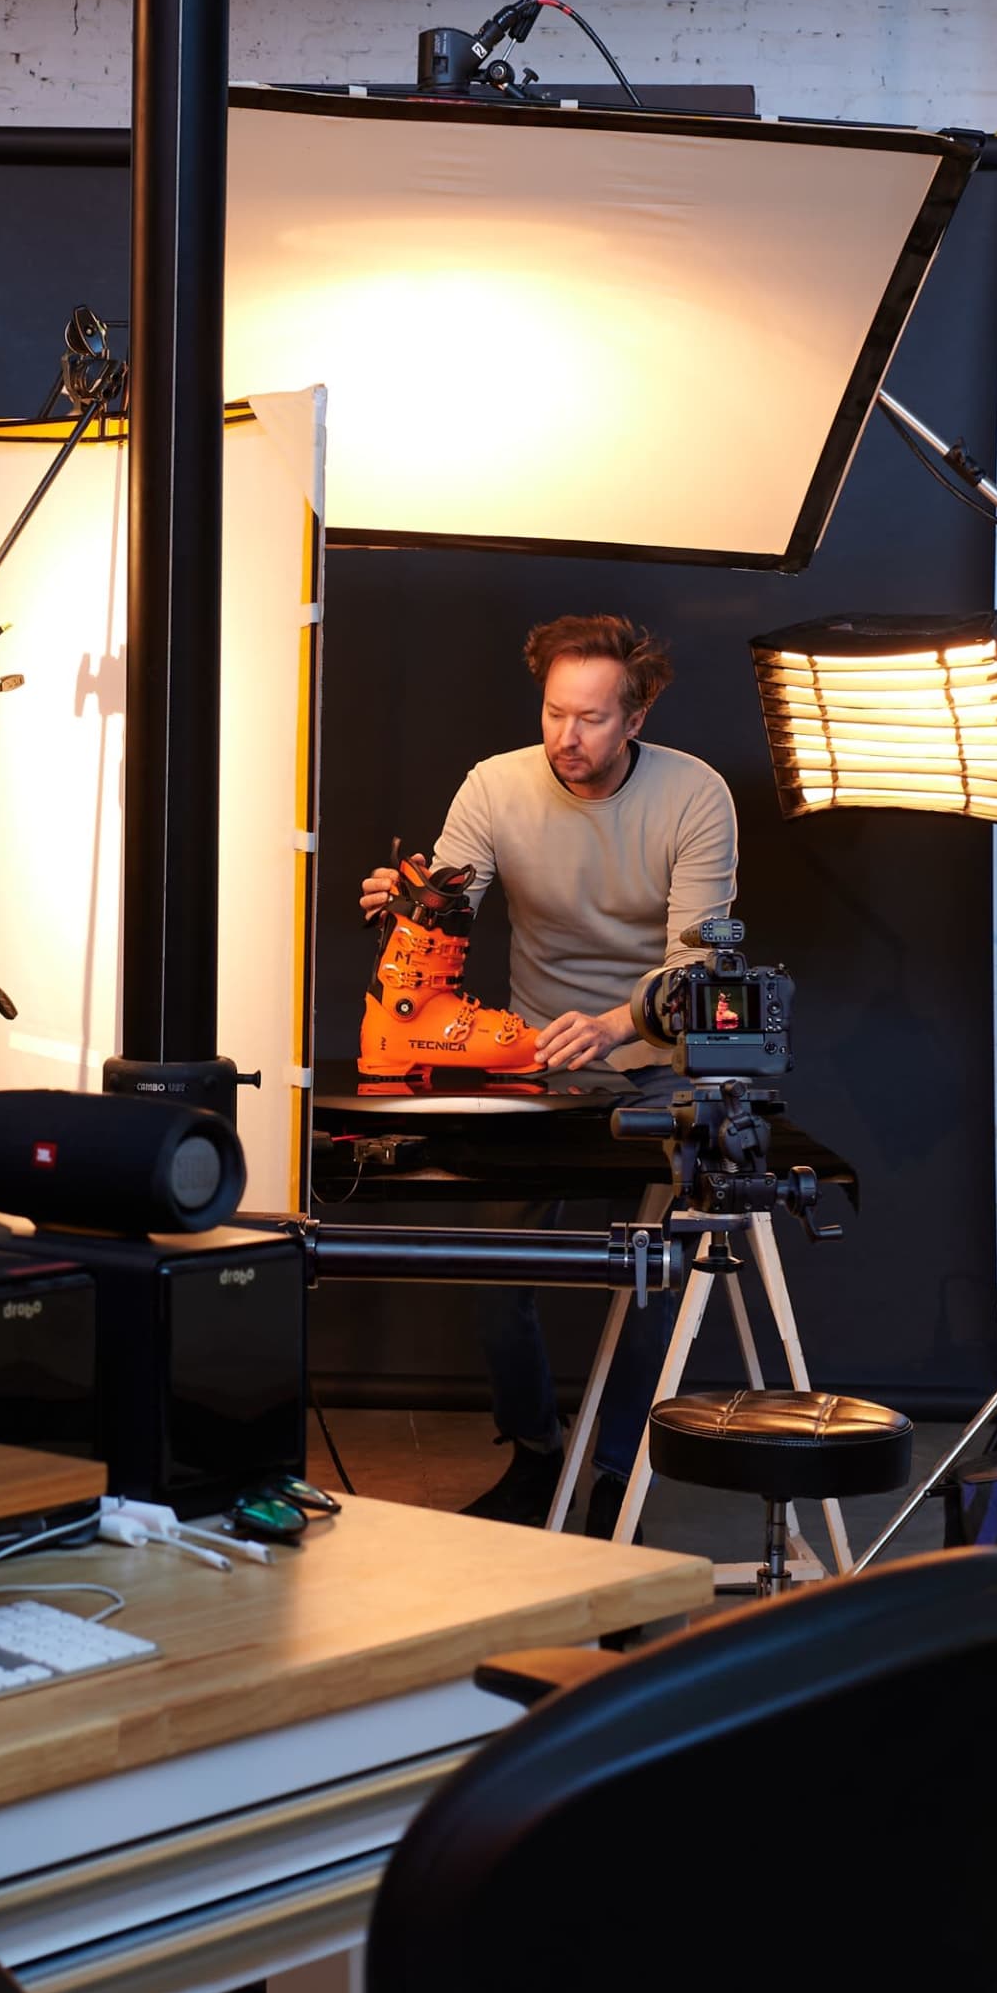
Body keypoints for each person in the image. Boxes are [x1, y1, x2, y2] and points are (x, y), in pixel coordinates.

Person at [359, 613, 738, 1522]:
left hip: (656, 1055)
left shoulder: (697, 796)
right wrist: (407, 906)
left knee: (659, 1268)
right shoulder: (494, 786)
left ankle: (610, 1476)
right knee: (498, 1266)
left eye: (593, 719)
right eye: (554, 712)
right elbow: (448, 908)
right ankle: (537, 1456)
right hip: (531, 1056)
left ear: (637, 717)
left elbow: (700, 969)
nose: (567, 737)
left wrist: (615, 1024)